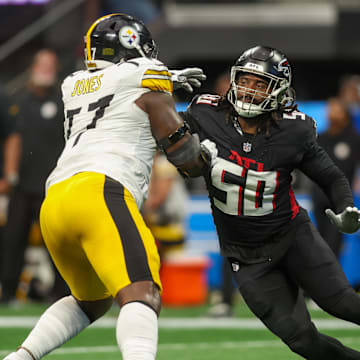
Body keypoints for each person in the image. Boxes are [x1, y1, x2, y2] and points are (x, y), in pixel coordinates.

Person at [2, 13, 215, 360]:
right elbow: (184, 154)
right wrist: (206, 157)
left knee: (91, 300)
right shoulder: (144, 77)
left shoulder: (72, 84)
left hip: (55, 201)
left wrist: (165, 79)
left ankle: (20, 357)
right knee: (142, 292)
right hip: (101, 191)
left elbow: (120, 82)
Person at [179, 45, 360, 359]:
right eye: (246, 80)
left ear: (278, 91)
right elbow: (164, 131)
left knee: (342, 303)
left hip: (292, 237)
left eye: (260, 84)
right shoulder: (205, 114)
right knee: (302, 340)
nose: (250, 90)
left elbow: (331, 176)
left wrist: (345, 206)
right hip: (246, 256)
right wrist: (155, 84)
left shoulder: (293, 130)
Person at [0, 49, 68, 304]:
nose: (46, 70)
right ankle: (8, 292)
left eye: (51, 65)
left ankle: (61, 291)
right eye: (42, 64)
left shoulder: (64, 101)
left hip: (53, 185)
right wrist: (9, 175)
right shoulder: (16, 100)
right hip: (21, 186)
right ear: (32, 67)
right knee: (12, 239)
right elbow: (10, 140)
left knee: (57, 242)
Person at [311, 97, 360, 258]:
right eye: (329, 109)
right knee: (318, 245)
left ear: (345, 113)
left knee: (333, 247)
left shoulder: (353, 139)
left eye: (335, 109)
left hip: (340, 200)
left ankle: (330, 281)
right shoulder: (320, 138)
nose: (331, 113)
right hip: (319, 197)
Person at [142, 152, 188, 260]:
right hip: (156, 227)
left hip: (169, 226)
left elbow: (158, 198)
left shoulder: (164, 163)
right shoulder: (151, 164)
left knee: (171, 268)